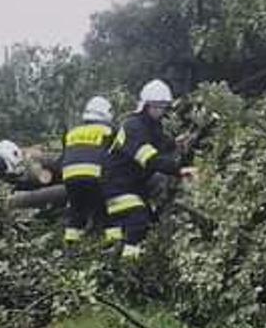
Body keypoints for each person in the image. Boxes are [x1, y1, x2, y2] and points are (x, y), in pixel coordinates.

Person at [104, 80, 193, 261]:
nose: (162, 111)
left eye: (164, 107)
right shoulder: (133, 127)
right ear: (147, 105)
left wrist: (177, 142)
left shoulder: (152, 125)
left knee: (150, 221)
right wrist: (179, 170)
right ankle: (129, 266)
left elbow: (161, 143)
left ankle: (118, 257)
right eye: (159, 107)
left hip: (134, 186)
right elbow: (150, 160)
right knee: (139, 219)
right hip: (115, 187)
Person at [57, 96, 116, 245]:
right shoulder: (109, 131)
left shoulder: (72, 132)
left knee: (76, 209)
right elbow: (119, 155)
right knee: (108, 208)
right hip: (95, 175)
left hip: (69, 176)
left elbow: (66, 156)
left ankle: (70, 244)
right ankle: (112, 243)